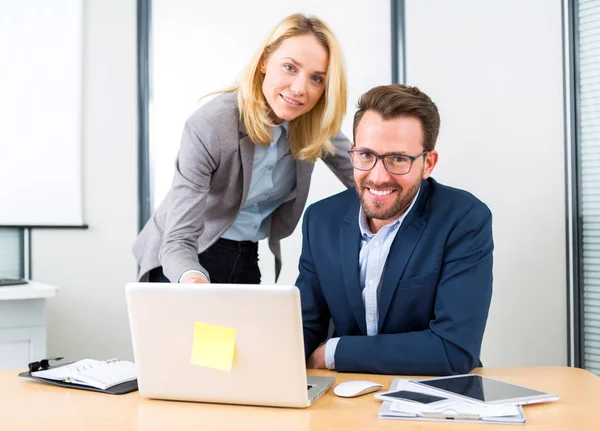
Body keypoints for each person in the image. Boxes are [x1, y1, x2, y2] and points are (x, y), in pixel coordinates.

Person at [133, 14, 353, 284]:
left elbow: (367, 175)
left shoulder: (314, 125)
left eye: (317, 78)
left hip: (246, 255)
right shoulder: (211, 126)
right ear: (264, 62)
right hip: (184, 258)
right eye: (290, 68)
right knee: (197, 328)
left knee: (247, 327)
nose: (299, 88)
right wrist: (192, 279)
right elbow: (178, 240)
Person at [298, 84, 493, 375]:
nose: (378, 177)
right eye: (365, 155)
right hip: (344, 398)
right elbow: (305, 326)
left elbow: (454, 349)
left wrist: (334, 353)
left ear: (428, 163)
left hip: (432, 398)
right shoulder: (321, 219)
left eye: (398, 159)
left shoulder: (463, 219)